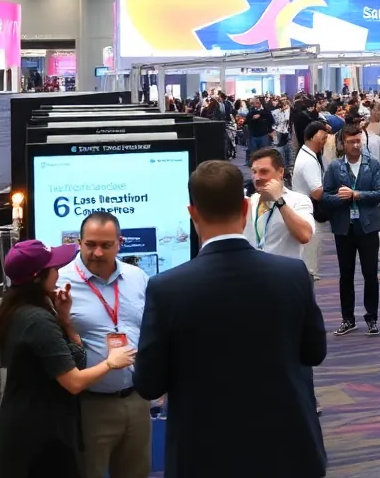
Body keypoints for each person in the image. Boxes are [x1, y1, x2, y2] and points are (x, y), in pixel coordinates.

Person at [134, 160, 327, 478]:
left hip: (204, 454)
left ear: (192, 213)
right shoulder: (292, 275)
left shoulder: (166, 289)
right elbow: (313, 352)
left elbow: (149, 382)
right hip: (286, 449)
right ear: (243, 206)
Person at [0, 239, 137, 478]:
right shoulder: (36, 321)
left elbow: (73, 360)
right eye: (54, 269)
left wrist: (65, 320)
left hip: (36, 428)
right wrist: (111, 363)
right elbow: (74, 382)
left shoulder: (20, 310)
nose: (58, 273)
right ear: (38, 277)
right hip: (40, 437)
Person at [52, 213, 150, 478]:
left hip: (136, 400)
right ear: (79, 243)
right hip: (88, 405)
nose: (97, 252)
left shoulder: (138, 278)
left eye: (106, 245)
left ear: (120, 243)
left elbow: (150, 330)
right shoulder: (60, 282)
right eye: (90, 244)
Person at [321, 123, 380, 337]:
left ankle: (372, 318)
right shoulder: (334, 167)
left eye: (359, 140)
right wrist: (341, 198)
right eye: (351, 142)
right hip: (344, 227)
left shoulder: (373, 165)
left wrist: (357, 195)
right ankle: (347, 318)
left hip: (368, 226)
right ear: (343, 143)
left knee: (370, 274)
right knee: (346, 275)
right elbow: (325, 197)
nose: (356, 145)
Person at [246, 148, 315, 260]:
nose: (257, 178)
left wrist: (280, 201)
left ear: (280, 172)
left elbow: (305, 235)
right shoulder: (251, 201)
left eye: (264, 172)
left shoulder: (299, 200)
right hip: (255, 272)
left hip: (284, 274)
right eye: (254, 172)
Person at [293, 120, 331, 279]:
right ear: (310, 137)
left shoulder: (307, 154)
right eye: (321, 137)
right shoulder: (308, 161)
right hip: (309, 212)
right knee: (310, 259)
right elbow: (317, 193)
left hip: (304, 209)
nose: (324, 141)